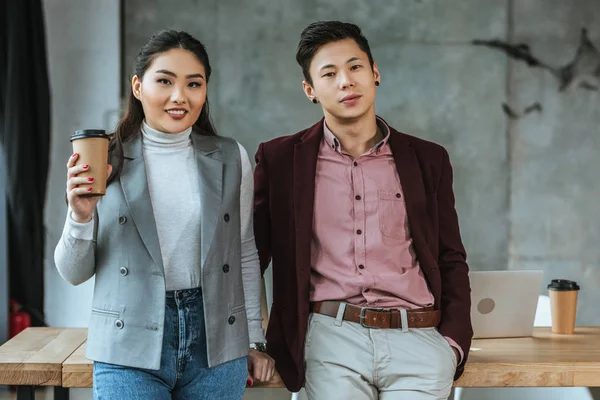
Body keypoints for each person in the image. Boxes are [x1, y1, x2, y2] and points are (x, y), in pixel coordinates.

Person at [253, 21, 472, 399]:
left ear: (375, 73)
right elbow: (250, 255)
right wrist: (254, 339)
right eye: (329, 73)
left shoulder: (428, 159)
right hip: (329, 340)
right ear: (310, 90)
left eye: (355, 67)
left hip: (418, 340)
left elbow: (451, 257)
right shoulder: (280, 160)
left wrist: (452, 343)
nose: (345, 81)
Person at [54, 29, 274, 400]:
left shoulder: (230, 157)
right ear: (138, 87)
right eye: (165, 81)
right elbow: (73, 273)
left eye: (193, 83)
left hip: (216, 342)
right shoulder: (105, 157)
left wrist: (254, 337)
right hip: (128, 342)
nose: (179, 96)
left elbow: (244, 253)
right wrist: (80, 215)